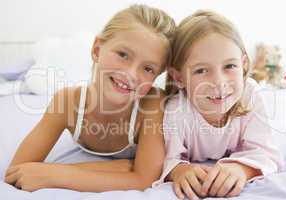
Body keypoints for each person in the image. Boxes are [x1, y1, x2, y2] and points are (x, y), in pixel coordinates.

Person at [5, 4, 175, 192]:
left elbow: (144, 179)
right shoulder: (67, 102)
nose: (131, 74)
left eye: (148, 68)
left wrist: (55, 173)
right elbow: (18, 171)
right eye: (123, 55)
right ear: (96, 50)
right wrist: (123, 167)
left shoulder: (152, 104)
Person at [155, 10, 283, 199]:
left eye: (230, 66)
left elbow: (266, 152)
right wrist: (179, 171)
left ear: (244, 65)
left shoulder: (250, 95)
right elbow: (167, 159)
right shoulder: (176, 110)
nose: (218, 82)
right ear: (179, 77)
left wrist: (242, 169)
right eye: (201, 70)